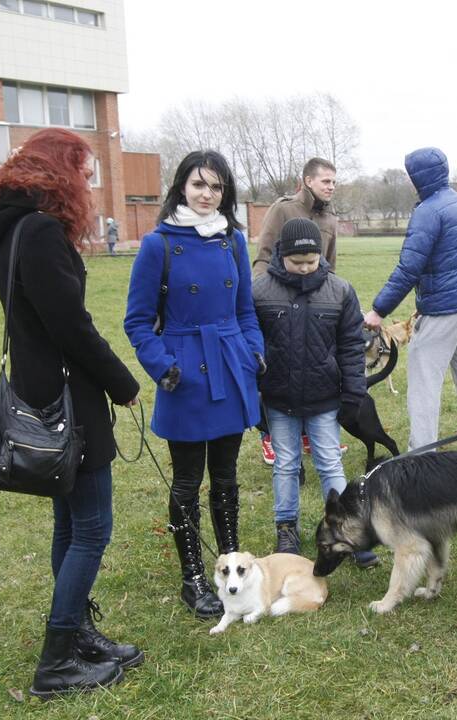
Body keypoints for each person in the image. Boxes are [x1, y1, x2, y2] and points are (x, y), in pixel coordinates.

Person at [0, 128, 142, 697]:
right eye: (84, 171)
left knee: (70, 521)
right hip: (68, 396)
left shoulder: (9, 226)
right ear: (59, 170)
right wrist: (122, 383)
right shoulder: (37, 231)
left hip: (43, 390)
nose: (89, 182)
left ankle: (80, 635)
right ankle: (57, 663)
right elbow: (71, 327)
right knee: (92, 528)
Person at [124, 150, 264, 619]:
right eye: (199, 184)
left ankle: (234, 569)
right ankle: (194, 578)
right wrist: (163, 366)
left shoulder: (234, 242)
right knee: (187, 480)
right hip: (183, 371)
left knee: (225, 476)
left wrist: (253, 352)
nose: (208, 195)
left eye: (217, 187)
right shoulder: (157, 244)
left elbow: (246, 309)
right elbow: (138, 321)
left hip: (229, 363)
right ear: (181, 186)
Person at [252, 218, 380, 568]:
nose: (306, 268)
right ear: (282, 256)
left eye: (312, 261)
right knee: (286, 464)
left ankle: (346, 529)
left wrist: (353, 393)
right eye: (298, 262)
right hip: (279, 399)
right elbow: (251, 346)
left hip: (325, 398)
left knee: (329, 463)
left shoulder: (339, 291)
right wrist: (255, 398)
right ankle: (286, 529)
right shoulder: (260, 292)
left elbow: (352, 347)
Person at [363, 147, 457, 453]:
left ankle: (422, 458)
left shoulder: (428, 211)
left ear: (416, 177)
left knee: (423, 388)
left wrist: (379, 310)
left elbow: (409, 267)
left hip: (443, 312)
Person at [252, 157, 341, 465]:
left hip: (315, 307)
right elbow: (263, 256)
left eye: (333, 181)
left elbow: (330, 265)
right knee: (275, 370)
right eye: (325, 181)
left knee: (312, 366)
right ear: (307, 181)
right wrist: (263, 300)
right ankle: (269, 437)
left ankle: (307, 434)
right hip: (278, 304)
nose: (331, 186)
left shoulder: (330, 219)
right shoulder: (284, 209)